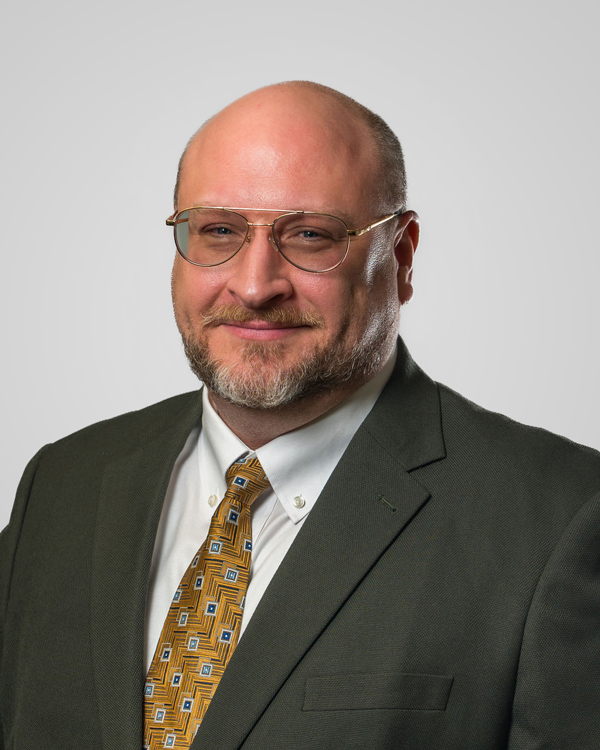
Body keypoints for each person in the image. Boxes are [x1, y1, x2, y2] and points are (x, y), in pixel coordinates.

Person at [1, 81, 599, 750]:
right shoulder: (61, 484)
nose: (256, 285)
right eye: (219, 231)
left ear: (401, 256)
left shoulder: (560, 519)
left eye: (311, 235)